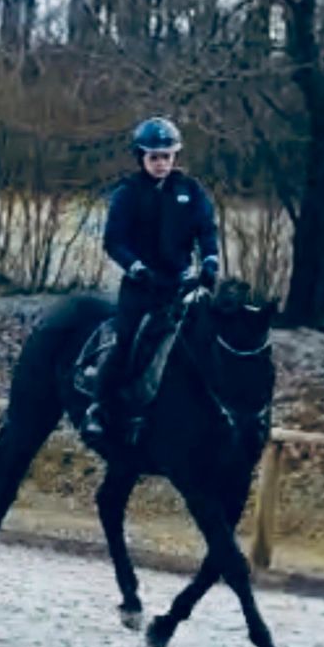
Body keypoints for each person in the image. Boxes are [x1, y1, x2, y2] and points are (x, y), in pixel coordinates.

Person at [83, 116, 220, 443]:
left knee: (208, 338)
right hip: (142, 286)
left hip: (180, 285)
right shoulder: (128, 193)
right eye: (154, 157)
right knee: (127, 341)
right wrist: (137, 268)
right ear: (141, 157)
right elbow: (114, 240)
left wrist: (210, 261)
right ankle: (100, 407)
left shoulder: (190, 189)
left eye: (167, 156)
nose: (161, 163)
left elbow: (206, 229)